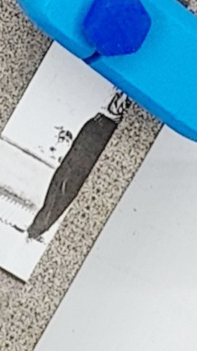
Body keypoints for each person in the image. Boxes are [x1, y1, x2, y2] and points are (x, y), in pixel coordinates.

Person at [24, 91, 128, 242]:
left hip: (105, 130)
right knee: (63, 176)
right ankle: (36, 227)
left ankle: (37, 229)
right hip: (97, 124)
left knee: (70, 183)